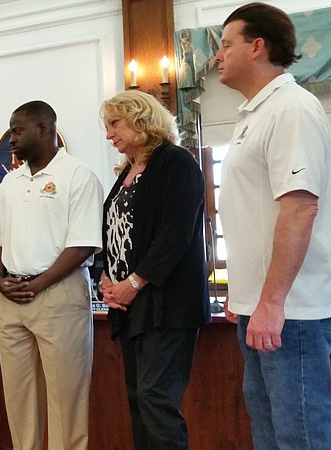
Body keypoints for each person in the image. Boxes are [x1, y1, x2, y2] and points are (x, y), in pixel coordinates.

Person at [216, 3, 331, 449]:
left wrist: (270, 302)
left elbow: (299, 209)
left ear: (257, 46)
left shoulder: (291, 108)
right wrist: (245, 294)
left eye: (226, 45)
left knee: (300, 437)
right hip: (262, 305)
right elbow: (252, 214)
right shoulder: (254, 114)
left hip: (293, 310)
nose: (217, 56)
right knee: (269, 436)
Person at [0, 100, 103, 450]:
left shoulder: (78, 175)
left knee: (66, 398)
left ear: (44, 128)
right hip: (11, 299)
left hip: (58, 295)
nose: (12, 139)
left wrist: (36, 285)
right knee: (19, 397)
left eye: (18, 130)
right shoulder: (10, 182)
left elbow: (82, 246)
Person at [99, 90, 211, 449]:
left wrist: (133, 281)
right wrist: (107, 278)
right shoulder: (127, 172)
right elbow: (116, 233)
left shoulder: (176, 162)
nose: (109, 134)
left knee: (156, 399)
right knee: (138, 398)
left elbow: (174, 235)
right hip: (133, 306)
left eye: (114, 123)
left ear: (140, 118)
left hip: (167, 303)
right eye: (107, 126)